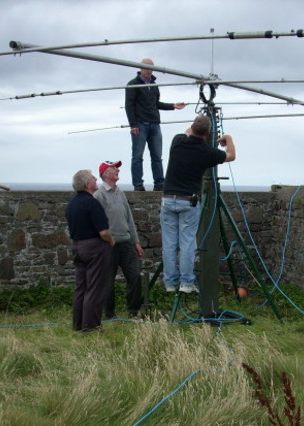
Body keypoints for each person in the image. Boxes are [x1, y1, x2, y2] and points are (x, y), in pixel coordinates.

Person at [161, 115, 236, 293]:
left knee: (169, 244)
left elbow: (188, 131)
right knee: (187, 244)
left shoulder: (178, 141)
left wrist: (200, 123)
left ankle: (170, 283)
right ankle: (186, 283)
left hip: (168, 199)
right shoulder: (207, 152)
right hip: (188, 201)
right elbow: (231, 156)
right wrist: (228, 138)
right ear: (208, 133)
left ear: (193, 127)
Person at [125, 58, 186, 192]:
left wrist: (173, 106)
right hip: (140, 125)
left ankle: (159, 184)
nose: (149, 70)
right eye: (146, 67)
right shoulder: (132, 84)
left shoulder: (154, 85)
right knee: (137, 156)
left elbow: (156, 104)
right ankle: (138, 184)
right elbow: (129, 106)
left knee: (157, 157)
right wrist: (133, 125)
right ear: (140, 68)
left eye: (151, 67)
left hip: (154, 124)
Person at [93, 160, 145, 318]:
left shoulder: (120, 192)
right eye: (114, 168)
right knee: (108, 281)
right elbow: (96, 223)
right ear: (105, 173)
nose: (117, 170)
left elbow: (129, 219)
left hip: (126, 243)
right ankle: (109, 314)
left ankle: (133, 311)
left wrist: (136, 242)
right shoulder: (98, 195)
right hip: (108, 245)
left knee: (135, 276)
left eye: (117, 168)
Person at [66, 169, 115, 332]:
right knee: (94, 287)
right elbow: (104, 232)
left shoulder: (71, 204)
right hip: (94, 248)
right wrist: (111, 240)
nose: (96, 179)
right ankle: (91, 325)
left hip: (77, 246)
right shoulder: (92, 203)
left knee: (81, 286)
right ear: (88, 184)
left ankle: (78, 323)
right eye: (94, 178)